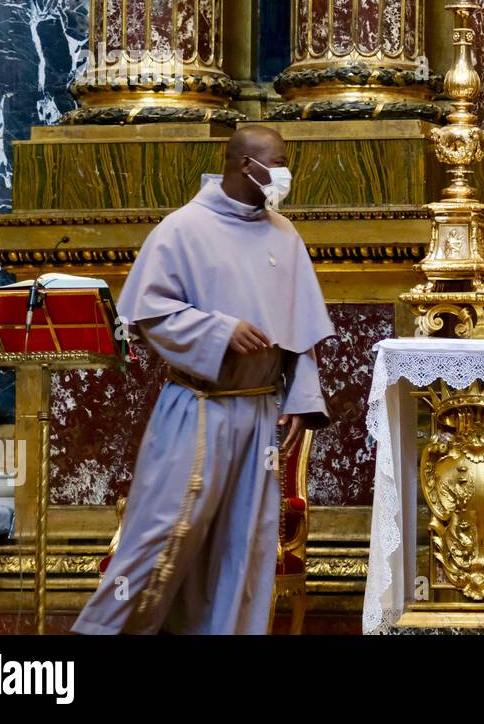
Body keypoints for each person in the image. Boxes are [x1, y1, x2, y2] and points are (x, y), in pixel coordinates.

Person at [73, 125, 333, 635]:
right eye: (276, 162)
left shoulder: (285, 233)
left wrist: (302, 399)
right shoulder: (182, 229)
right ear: (243, 166)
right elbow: (148, 314)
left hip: (259, 415)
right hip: (198, 410)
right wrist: (219, 330)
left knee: (244, 546)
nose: (285, 173)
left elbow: (301, 330)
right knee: (161, 536)